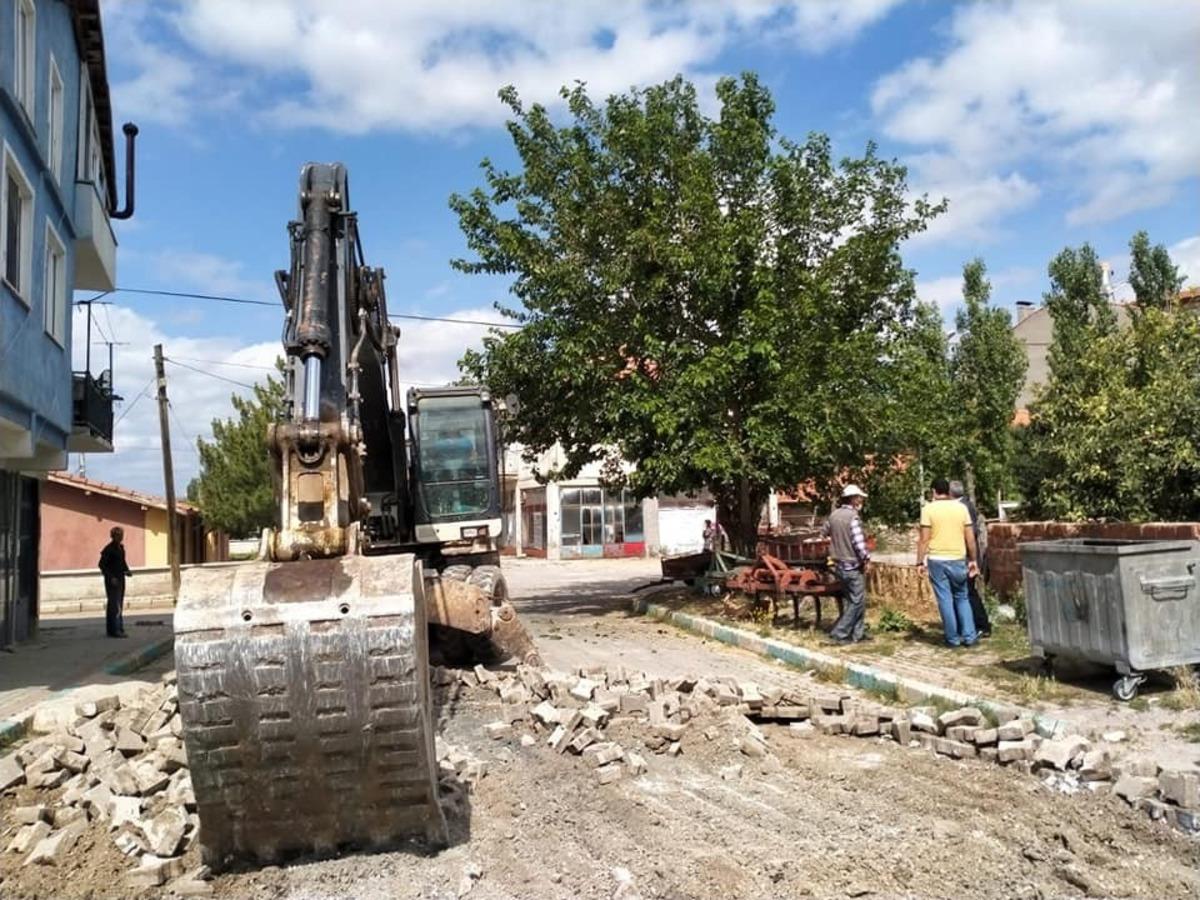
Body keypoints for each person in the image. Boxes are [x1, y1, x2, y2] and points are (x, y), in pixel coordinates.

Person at [916, 479, 980, 648]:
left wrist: (919, 562)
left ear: (934, 491)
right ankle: (969, 636)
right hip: (958, 557)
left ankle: (952, 638)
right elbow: (970, 538)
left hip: (937, 560)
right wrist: (973, 560)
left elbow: (924, 539)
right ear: (949, 491)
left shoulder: (928, 509)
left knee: (945, 600)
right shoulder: (961, 509)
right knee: (962, 597)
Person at [822, 485, 871, 645]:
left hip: (838, 565)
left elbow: (823, 533)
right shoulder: (853, 518)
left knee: (854, 600)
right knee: (857, 601)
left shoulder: (834, 515)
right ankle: (840, 632)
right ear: (854, 499)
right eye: (859, 497)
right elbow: (858, 543)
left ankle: (858, 634)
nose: (861, 500)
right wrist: (866, 558)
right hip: (852, 565)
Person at [949, 479, 991, 638]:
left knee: (968, 591)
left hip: (966, 556)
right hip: (965, 556)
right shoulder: (964, 505)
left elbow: (970, 534)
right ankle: (972, 624)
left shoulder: (963, 507)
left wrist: (970, 558)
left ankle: (981, 625)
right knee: (965, 591)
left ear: (951, 493)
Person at [99, 526, 132, 639]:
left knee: (119, 603)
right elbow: (102, 565)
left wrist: (127, 570)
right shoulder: (109, 549)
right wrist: (110, 577)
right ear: (113, 536)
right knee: (115, 605)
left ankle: (117, 628)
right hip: (112, 580)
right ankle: (115, 630)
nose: (121, 537)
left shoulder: (121, 548)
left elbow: (122, 562)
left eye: (122, 534)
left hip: (120, 578)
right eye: (119, 535)